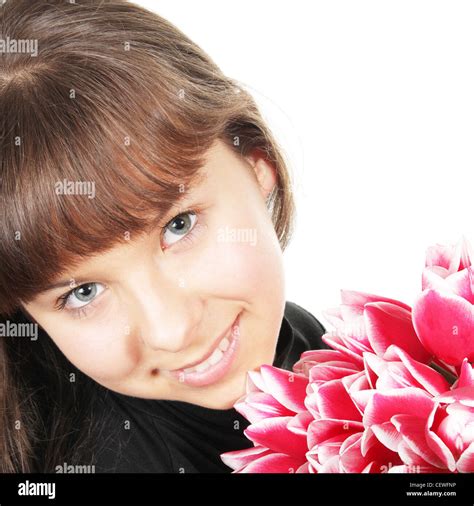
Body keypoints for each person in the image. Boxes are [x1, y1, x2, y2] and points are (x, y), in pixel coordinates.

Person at [0, 0, 328, 473]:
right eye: (82, 293)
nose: (171, 331)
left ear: (258, 164)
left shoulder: (308, 343)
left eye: (179, 225)